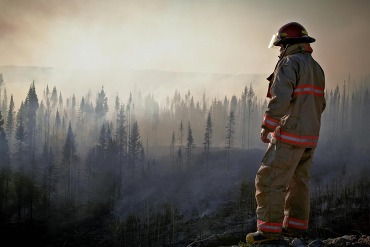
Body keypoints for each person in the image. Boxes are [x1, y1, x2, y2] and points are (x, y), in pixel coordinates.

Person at [246, 22, 326, 244]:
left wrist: (268, 126)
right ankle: (295, 229)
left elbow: (281, 99)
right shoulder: (316, 67)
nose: (280, 50)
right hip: (310, 137)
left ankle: (269, 233)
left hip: (290, 135)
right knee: (299, 182)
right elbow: (321, 104)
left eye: (281, 45)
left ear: (288, 43)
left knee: (269, 180)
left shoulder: (289, 63)